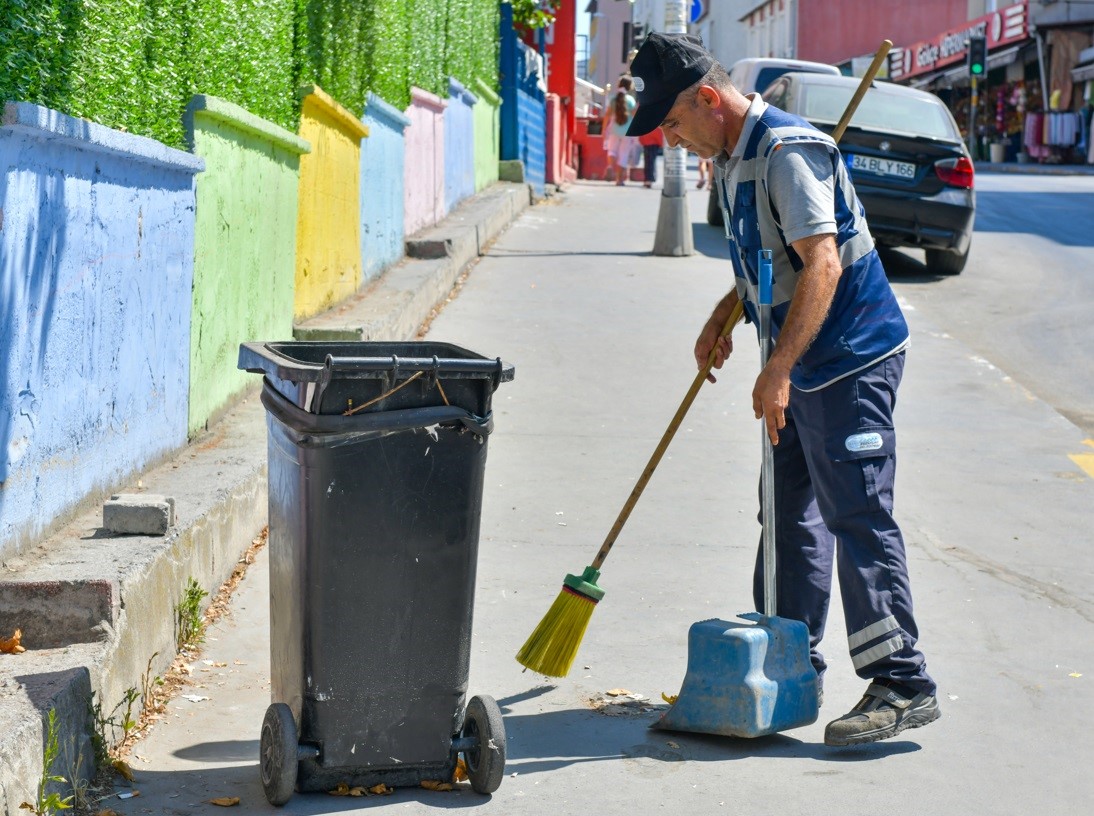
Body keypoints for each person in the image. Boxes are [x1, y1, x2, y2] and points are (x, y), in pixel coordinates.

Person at [625, 32, 940, 747]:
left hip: (849, 359)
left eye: (672, 124)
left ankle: (903, 681)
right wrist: (723, 316)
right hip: (798, 361)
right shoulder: (734, 157)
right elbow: (770, 261)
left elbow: (822, 266)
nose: (673, 141)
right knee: (787, 512)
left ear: (708, 100)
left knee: (856, 510)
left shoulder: (787, 153)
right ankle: (789, 665)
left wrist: (777, 371)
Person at [602, 77, 639, 185]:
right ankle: (619, 180)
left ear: (619, 85)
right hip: (627, 131)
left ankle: (609, 167)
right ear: (629, 87)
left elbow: (607, 115)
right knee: (624, 155)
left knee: (612, 151)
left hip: (614, 129)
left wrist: (604, 129)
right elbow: (634, 115)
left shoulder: (613, 99)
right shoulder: (631, 100)